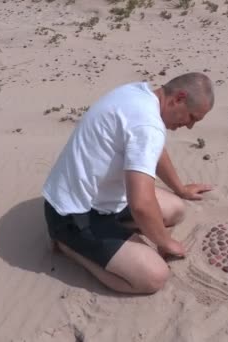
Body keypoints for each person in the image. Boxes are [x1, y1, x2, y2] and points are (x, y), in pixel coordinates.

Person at [42, 72, 215, 294]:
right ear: (179, 98)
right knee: (154, 277)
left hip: (101, 197)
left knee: (176, 210)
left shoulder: (139, 95)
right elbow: (141, 205)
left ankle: (115, 235)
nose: (189, 126)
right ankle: (68, 246)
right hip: (72, 213)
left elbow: (154, 150)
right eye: (192, 117)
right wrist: (164, 242)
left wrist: (181, 189)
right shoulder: (147, 125)